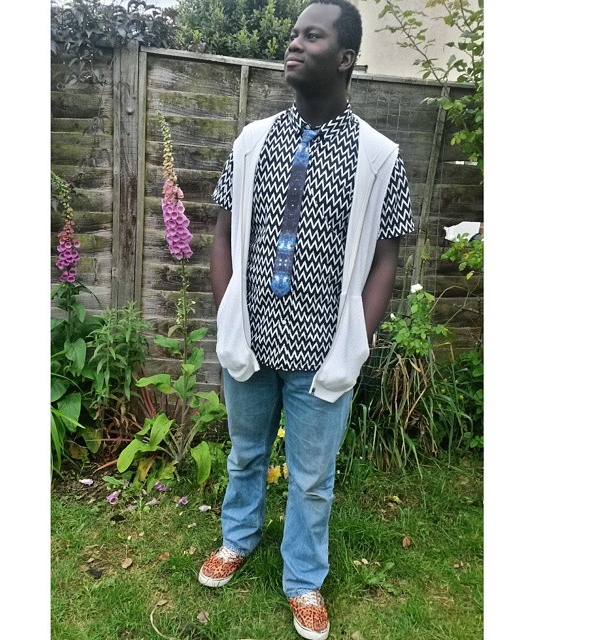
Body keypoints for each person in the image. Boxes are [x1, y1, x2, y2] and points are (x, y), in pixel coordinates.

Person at [199, 1, 414, 638]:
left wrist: (359, 339)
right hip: (252, 339)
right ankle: (237, 540)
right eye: (293, 33)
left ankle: (303, 580)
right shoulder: (252, 142)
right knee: (245, 456)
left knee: (313, 479)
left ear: (345, 58)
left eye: (310, 36)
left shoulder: (378, 156)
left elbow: (387, 256)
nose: (293, 44)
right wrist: (228, 310)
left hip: (324, 350)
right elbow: (221, 232)